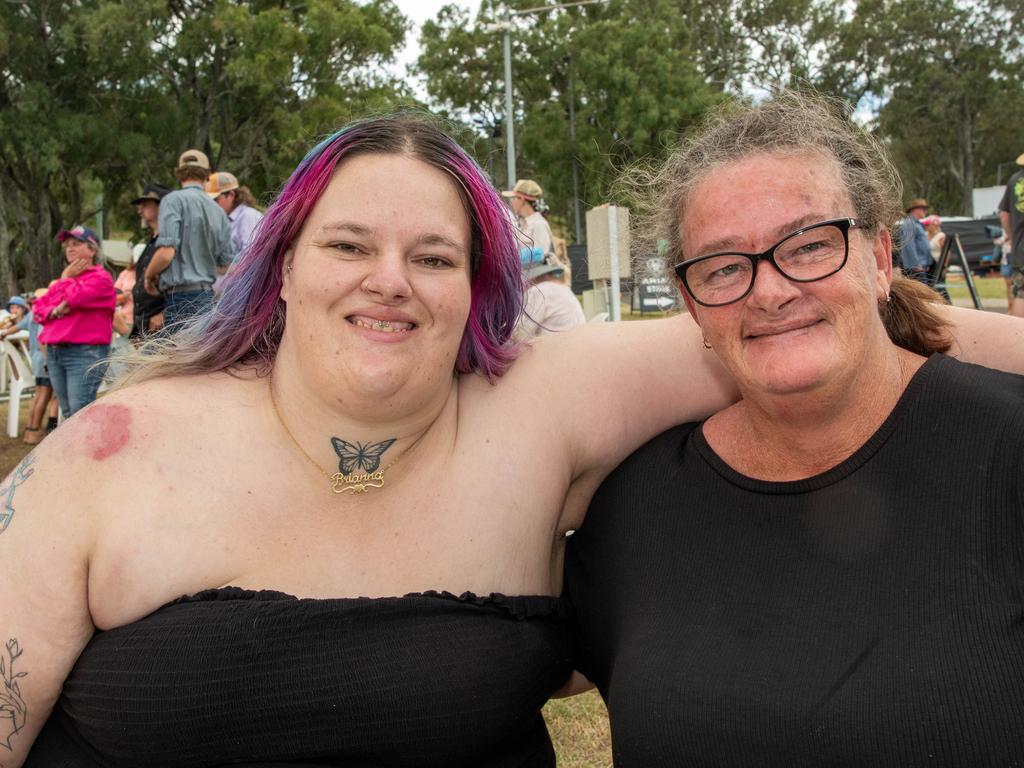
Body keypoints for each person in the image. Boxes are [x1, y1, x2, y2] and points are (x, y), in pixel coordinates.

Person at [3, 115, 1022, 768]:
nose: (389, 280)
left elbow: (810, 318)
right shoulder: (118, 453)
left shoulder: (541, 410)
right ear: (281, 268)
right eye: (349, 245)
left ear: (479, 285)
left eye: (433, 255)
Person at [565, 91, 1024, 766]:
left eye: (808, 246)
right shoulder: (636, 506)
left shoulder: (1008, 451)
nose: (770, 291)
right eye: (724, 267)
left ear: (879, 260)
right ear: (691, 304)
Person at [31, 225, 115, 419]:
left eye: (76, 244)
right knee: (69, 413)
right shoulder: (65, 279)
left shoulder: (101, 278)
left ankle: (90, 449)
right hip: (56, 352)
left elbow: (75, 299)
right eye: (67, 245)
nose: (69, 248)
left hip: (84, 352)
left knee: (79, 413)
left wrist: (65, 281)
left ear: (92, 249)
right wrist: (55, 308)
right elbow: (38, 309)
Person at [143, 149, 234, 327]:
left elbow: (166, 253)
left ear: (179, 173)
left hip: (180, 297)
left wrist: (148, 276)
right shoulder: (218, 211)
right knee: (200, 353)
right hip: (206, 297)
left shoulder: (172, 201)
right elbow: (226, 265)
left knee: (177, 353)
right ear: (207, 175)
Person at [0, 296, 50, 445]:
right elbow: (43, 337)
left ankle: (30, 429)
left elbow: (17, 327)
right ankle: (36, 431)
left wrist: (3, 333)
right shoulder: (43, 314)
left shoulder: (31, 316)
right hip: (44, 358)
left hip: (35, 359)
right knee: (46, 395)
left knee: (39, 394)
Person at [503, 178, 572, 285]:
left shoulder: (539, 225)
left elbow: (542, 260)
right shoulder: (523, 225)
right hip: (524, 283)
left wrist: (517, 259)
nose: (511, 202)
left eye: (513, 198)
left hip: (537, 285)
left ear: (521, 199)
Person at [129, 183, 170, 340]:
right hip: (145, 326)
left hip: (162, 326)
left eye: (145, 204)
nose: (139, 210)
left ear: (162, 206)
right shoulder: (153, 240)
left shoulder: (170, 243)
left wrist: (164, 313)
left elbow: (181, 282)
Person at [515, 254, 586, 341]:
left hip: (557, 349)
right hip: (574, 345)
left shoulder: (539, 290)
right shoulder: (562, 288)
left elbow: (520, 334)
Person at [205, 170, 264, 256]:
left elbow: (251, 256)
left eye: (215, 200)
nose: (211, 204)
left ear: (231, 195)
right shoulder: (223, 219)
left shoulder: (248, 216)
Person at [999, 152, 1024, 317]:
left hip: (1021, 250)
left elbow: (1003, 214)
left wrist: (1014, 237)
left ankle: (1018, 339)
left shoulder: (1014, 179)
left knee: (1021, 293)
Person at [898, 197, 933, 283]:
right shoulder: (909, 224)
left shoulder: (916, 224)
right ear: (916, 210)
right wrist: (915, 265)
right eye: (924, 209)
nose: (926, 212)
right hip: (915, 269)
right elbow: (909, 246)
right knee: (921, 295)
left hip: (920, 267)